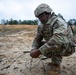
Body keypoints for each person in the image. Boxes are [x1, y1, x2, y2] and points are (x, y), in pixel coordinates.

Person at [30, 3, 75, 74]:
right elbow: (37, 38)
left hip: (68, 47)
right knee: (41, 45)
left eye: (41, 16)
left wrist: (38, 52)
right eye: (39, 17)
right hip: (55, 45)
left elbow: (57, 40)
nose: (40, 19)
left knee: (56, 42)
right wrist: (33, 49)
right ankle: (52, 55)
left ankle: (55, 65)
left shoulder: (58, 22)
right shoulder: (41, 25)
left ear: (48, 13)